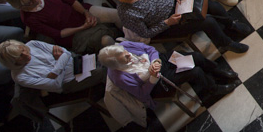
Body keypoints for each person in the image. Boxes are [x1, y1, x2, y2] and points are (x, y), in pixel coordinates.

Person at [107, 0, 249, 53]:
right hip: (169, 23)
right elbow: (146, 33)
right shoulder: (126, 14)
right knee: (208, 22)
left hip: (177, 1)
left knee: (213, 5)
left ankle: (231, 25)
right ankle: (226, 43)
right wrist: (168, 22)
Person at [99, 41, 238, 109]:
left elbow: (149, 49)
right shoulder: (120, 77)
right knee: (195, 71)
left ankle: (216, 71)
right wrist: (152, 77)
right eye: (125, 58)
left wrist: (156, 61)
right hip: (157, 82)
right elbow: (141, 94)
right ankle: (213, 90)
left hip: (161, 61)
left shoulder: (124, 45)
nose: (129, 55)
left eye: (126, 52)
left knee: (195, 56)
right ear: (117, 64)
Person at [4, 0, 119, 53]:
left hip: (81, 12)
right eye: (29, 2)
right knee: (106, 40)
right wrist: (83, 27)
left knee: (117, 15)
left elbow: (69, 0)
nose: (34, 0)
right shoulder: (29, 19)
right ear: (21, 7)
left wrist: (86, 13)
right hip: (74, 34)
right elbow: (58, 34)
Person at [0, 39, 105, 94]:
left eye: (23, 50)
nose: (26, 54)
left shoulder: (32, 44)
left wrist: (55, 72)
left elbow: (66, 52)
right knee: (102, 71)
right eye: (20, 56)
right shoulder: (19, 76)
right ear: (11, 62)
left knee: (105, 54)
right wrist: (59, 60)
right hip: (69, 81)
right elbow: (56, 85)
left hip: (76, 62)